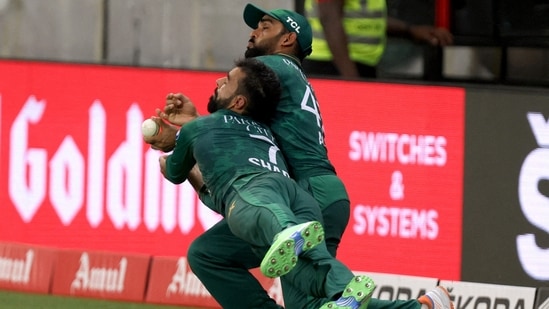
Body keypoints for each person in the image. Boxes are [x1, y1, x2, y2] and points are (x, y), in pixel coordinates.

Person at [145, 4, 454, 309]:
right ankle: (426, 307)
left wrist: (190, 130)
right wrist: (194, 125)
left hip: (307, 193)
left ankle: (422, 308)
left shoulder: (271, 66)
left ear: (288, 40)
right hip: (314, 191)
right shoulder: (284, 79)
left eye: (265, 27)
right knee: (210, 254)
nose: (254, 32)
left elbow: (229, 112)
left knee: (307, 300)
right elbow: (233, 127)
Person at [157, 57, 376, 309]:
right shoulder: (263, 129)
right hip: (296, 196)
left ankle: (286, 229)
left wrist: (171, 149)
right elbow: (217, 184)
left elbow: (175, 172)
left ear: (239, 101)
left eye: (227, 81)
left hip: (260, 194)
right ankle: (347, 293)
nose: (219, 81)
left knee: (266, 211)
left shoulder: (199, 128)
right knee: (307, 269)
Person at [302, 0, 454, 79]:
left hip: (354, 65)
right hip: (331, 66)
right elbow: (330, 19)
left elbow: (368, 20)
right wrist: (351, 81)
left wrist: (410, 31)